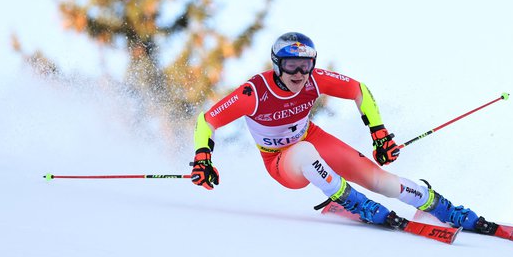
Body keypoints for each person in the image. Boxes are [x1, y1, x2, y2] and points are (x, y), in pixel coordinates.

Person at [190, 32, 495, 233]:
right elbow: (207, 121)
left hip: (312, 136)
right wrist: (203, 157)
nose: (299, 74)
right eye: (291, 65)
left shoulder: (314, 79)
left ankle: (441, 207)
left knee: (380, 180)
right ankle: (352, 201)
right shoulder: (254, 91)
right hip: (280, 161)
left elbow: (357, 90)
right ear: (277, 65)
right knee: (305, 153)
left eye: (306, 65)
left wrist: (379, 133)